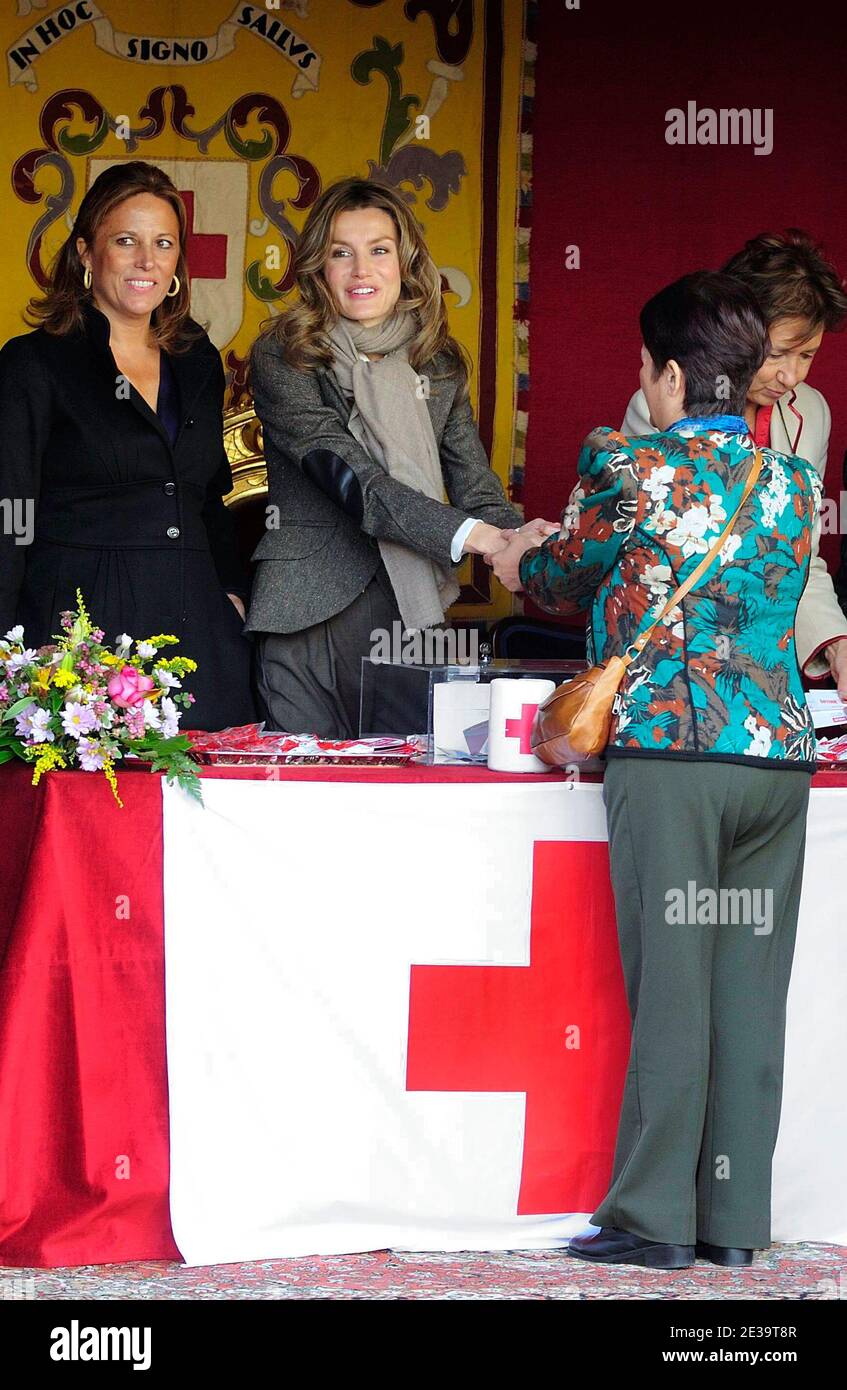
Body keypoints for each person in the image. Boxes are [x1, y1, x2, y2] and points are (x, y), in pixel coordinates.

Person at [492, 273, 821, 1269]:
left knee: (674, 986)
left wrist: (521, 556)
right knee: (747, 994)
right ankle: (731, 1222)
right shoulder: (792, 481)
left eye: (647, 367)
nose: (644, 382)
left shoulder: (626, 463)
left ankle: (650, 1220)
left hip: (671, 755)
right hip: (774, 760)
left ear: (674, 375)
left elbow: (555, 580)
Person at [244, 176, 550, 738]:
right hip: (309, 612)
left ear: (405, 263)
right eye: (342, 253)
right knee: (304, 805)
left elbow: (476, 489)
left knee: (410, 799)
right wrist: (478, 538)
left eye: (379, 251)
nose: (362, 271)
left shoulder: (437, 362)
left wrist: (528, 543)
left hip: (415, 613)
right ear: (318, 267)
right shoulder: (283, 354)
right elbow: (350, 478)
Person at [0, 160, 256, 731]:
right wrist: (7, 650)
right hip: (78, 632)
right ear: (87, 254)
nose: (147, 260)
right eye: (126, 241)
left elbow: (209, 496)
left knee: (207, 808)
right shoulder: (34, 363)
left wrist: (232, 593)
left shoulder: (197, 361)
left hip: (200, 630)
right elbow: (9, 512)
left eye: (163, 243)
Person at [622, 230, 847, 693]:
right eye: (777, 353)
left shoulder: (813, 412)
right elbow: (632, 549)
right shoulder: (662, 403)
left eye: (807, 355)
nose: (792, 376)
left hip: (767, 664)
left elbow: (798, 554)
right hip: (674, 658)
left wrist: (835, 640)